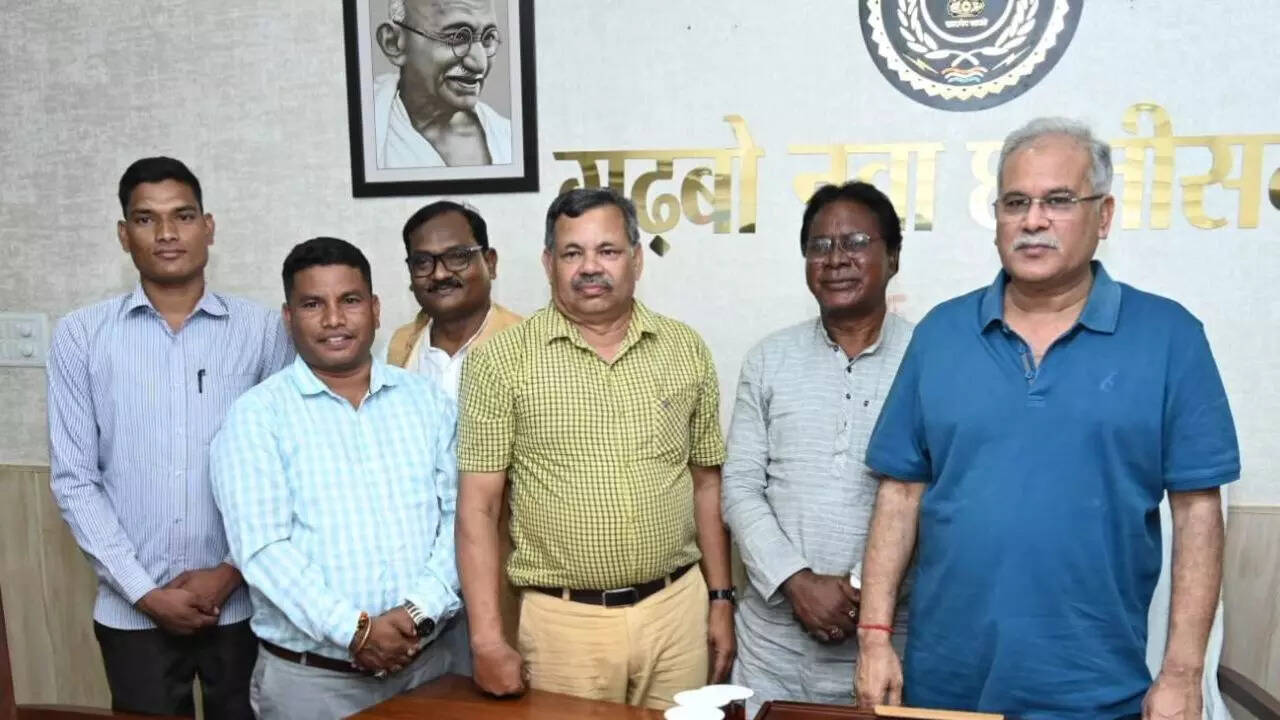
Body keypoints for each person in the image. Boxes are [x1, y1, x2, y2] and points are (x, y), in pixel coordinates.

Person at [855, 118, 1239, 719]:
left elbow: (1197, 513)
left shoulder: (1170, 338)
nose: (1033, 220)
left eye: (1058, 200)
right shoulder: (941, 334)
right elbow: (900, 494)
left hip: (1095, 691)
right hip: (945, 686)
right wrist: (875, 638)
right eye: (1015, 203)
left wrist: (1183, 674)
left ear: (1103, 216)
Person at [455, 188, 736, 710]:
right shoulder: (500, 362)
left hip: (677, 612)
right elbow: (478, 508)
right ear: (548, 263)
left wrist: (721, 599)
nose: (590, 267)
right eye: (572, 253)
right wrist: (487, 640)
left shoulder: (685, 349)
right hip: (564, 625)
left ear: (636, 259)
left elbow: (706, 483)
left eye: (607, 250)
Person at [46, 156, 292, 718]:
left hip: (244, 605)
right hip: (132, 611)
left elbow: (285, 466)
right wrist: (145, 592)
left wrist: (229, 572)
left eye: (182, 216)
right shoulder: (81, 336)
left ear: (208, 227)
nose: (166, 233)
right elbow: (75, 479)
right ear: (123, 234)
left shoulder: (262, 331)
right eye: (145, 219)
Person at [210, 237, 461, 719]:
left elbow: (459, 520)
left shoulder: (427, 403)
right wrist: (357, 631)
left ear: (375, 308)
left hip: (429, 668)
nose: (333, 319)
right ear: (289, 318)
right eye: (313, 304)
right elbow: (262, 549)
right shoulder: (256, 417)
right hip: (313, 686)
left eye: (349, 300)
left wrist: (416, 612)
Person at [722, 182, 913, 717]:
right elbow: (739, 487)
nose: (836, 259)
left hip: (884, 648)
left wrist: (857, 588)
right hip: (772, 649)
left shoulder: (928, 358)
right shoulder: (769, 359)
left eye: (855, 242)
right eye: (819, 246)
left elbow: (935, 496)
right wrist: (796, 581)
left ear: (893, 257)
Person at [384, 200, 522, 398]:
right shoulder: (400, 345)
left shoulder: (528, 345)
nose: (440, 274)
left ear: (490, 263)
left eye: (457, 256)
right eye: (422, 262)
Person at [373, 0, 512, 168]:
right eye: (456, 37)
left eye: (488, 37)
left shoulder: (507, 139)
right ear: (394, 42)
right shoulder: (365, 126)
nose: (480, 64)